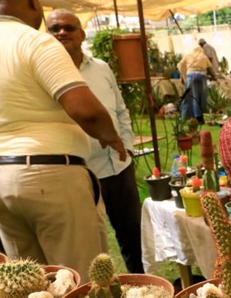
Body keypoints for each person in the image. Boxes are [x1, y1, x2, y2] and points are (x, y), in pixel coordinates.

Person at [0, 0, 127, 282]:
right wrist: (111, 137)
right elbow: (85, 110)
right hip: (47, 173)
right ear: (32, 3)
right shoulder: (35, 42)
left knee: (30, 280)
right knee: (79, 280)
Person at [46, 9, 144, 274]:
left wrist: (127, 145)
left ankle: (144, 287)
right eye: (54, 29)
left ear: (82, 33)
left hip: (119, 167)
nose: (62, 32)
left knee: (133, 237)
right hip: (81, 175)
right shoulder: (43, 74)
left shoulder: (100, 68)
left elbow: (121, 110)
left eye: (69, 27)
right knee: (92, 249)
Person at [178, 40, 213, 122]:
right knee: (202, 96)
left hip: (191, 76)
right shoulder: (203, 56)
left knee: (191, 96)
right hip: (202, 76)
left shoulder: (188, 55)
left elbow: (180, 65)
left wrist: (183, 76)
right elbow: (209, 65)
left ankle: (190, 116)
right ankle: (202, 115)